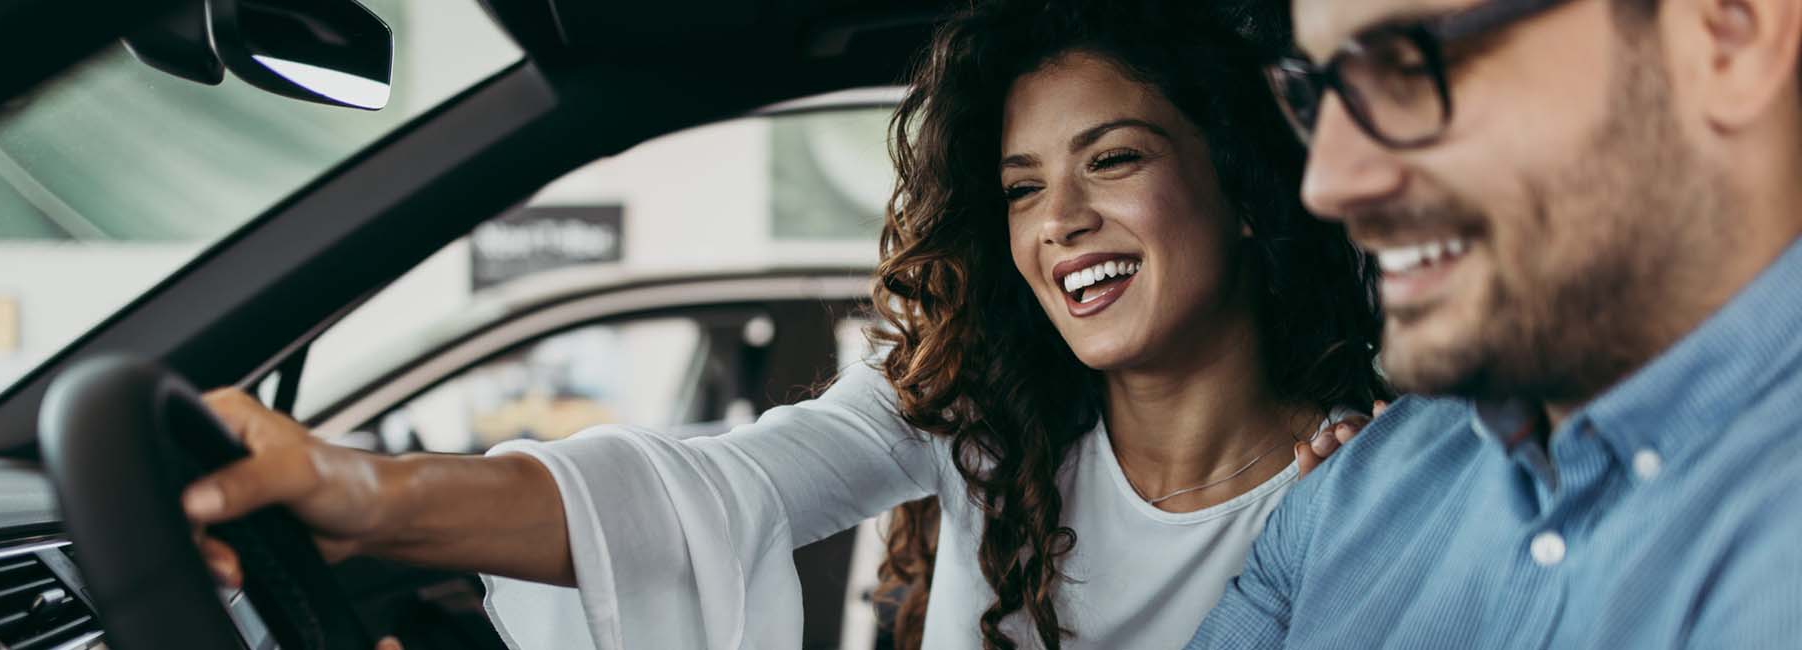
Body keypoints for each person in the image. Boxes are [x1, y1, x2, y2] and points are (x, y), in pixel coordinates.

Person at [182, 2, 1387, 649]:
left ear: (1238, 191)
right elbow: (694, 490)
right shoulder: (974, 409)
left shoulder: (1386, 477)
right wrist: (362, 494)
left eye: (1112, 159)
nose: (1059, 221)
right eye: (1021, 188)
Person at [1185, 0, 1802, 647]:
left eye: (1406, 68)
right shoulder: (1350, 498)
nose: (1330, 184)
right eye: (1314, 93)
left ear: (1728, 37)